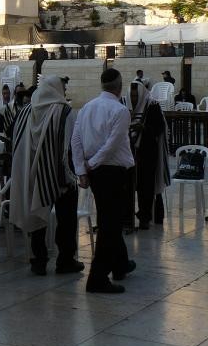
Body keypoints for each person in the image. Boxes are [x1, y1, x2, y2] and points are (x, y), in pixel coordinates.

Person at [71, 68, 136, 293]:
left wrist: (83, 169)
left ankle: (120, 265)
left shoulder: (87, 108)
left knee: (110, 220)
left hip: (96, 173)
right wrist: (91, 164)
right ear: (119, 86)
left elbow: (76, 140)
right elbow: (112, 145)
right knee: (110, 225)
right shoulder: (120, 110)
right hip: (112, 173)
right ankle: (97, 278)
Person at [10, 76, 83, 275]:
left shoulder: (25, 112)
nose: (65, 92)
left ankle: (38, 261)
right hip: (60, 175)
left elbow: (14, 139)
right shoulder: (65, 112)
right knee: (66, 219)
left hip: (31, 172)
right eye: (63, 88)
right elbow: (70, 145)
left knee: (37, 216)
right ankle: (65, 260)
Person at [129, 81, 170, 228]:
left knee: (146, 186)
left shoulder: (152, 106)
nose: (134, 99)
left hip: (148, 152)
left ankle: (145, 218)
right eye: (132, 96)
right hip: (132, 152)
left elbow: (158, 128)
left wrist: (143, 127)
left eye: (136, 96)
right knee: (134, 186)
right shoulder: (127, 107)